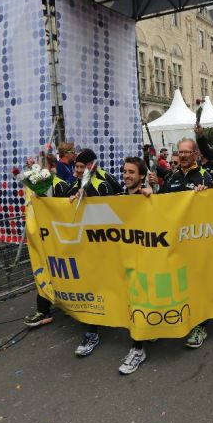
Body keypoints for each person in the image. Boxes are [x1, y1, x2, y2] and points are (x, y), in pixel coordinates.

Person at [150, 138, 213, 347]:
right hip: (174, 240)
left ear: (195, 154)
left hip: (197, 241)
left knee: (198, 284)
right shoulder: (171, 176)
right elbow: (161, 205)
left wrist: (207, 194)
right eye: (181, 152)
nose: (184, 155)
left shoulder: (205, 176)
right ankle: (174, 319)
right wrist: (151, 192)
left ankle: (200, 326)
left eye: (188, 152)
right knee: (177, 283)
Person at [24, 151, 93, 329]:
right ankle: (44, 309)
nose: (39, 170)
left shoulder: (61, 185)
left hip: (66, 240)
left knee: (67, 272)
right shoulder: (35, 185)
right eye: (37, 166)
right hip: (47, 237)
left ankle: (73, 306)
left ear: (52, 167)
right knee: (45, 271)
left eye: (42, 166)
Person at [69, 149, 123, 357]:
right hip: (85, 246)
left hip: (108, 245)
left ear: (91, 166)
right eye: (76, 166)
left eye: (82, 167)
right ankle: (92, 333)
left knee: (116, 283)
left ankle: (133, 323)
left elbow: (117, 206)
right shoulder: (74, 184)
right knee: (91, 287)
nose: (78, 170)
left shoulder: (102, 182)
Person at [117, 157, 154, 375]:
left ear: (141, 176)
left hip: (146, 260)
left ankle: (138, 349)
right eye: (125, 172)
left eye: (131, 172)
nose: (127, 175)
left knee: (140, 300)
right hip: (125, 260)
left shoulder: (148, 196)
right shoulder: (118, 198)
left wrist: (152, 196)